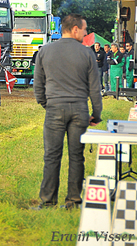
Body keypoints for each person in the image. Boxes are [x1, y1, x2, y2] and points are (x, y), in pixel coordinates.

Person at [33, 13, 102, 210]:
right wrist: (96, 114)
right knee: (76, 156)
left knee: (52, 156)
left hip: (54, 108)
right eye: (84, 29)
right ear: (74, 29)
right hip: (80, 109)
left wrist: (47, 104)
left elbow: (38, 86)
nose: (86, 33)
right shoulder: (87, 53)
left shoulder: (44, 51)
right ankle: (73, 201)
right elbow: (94, 90)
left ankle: (47, 201)